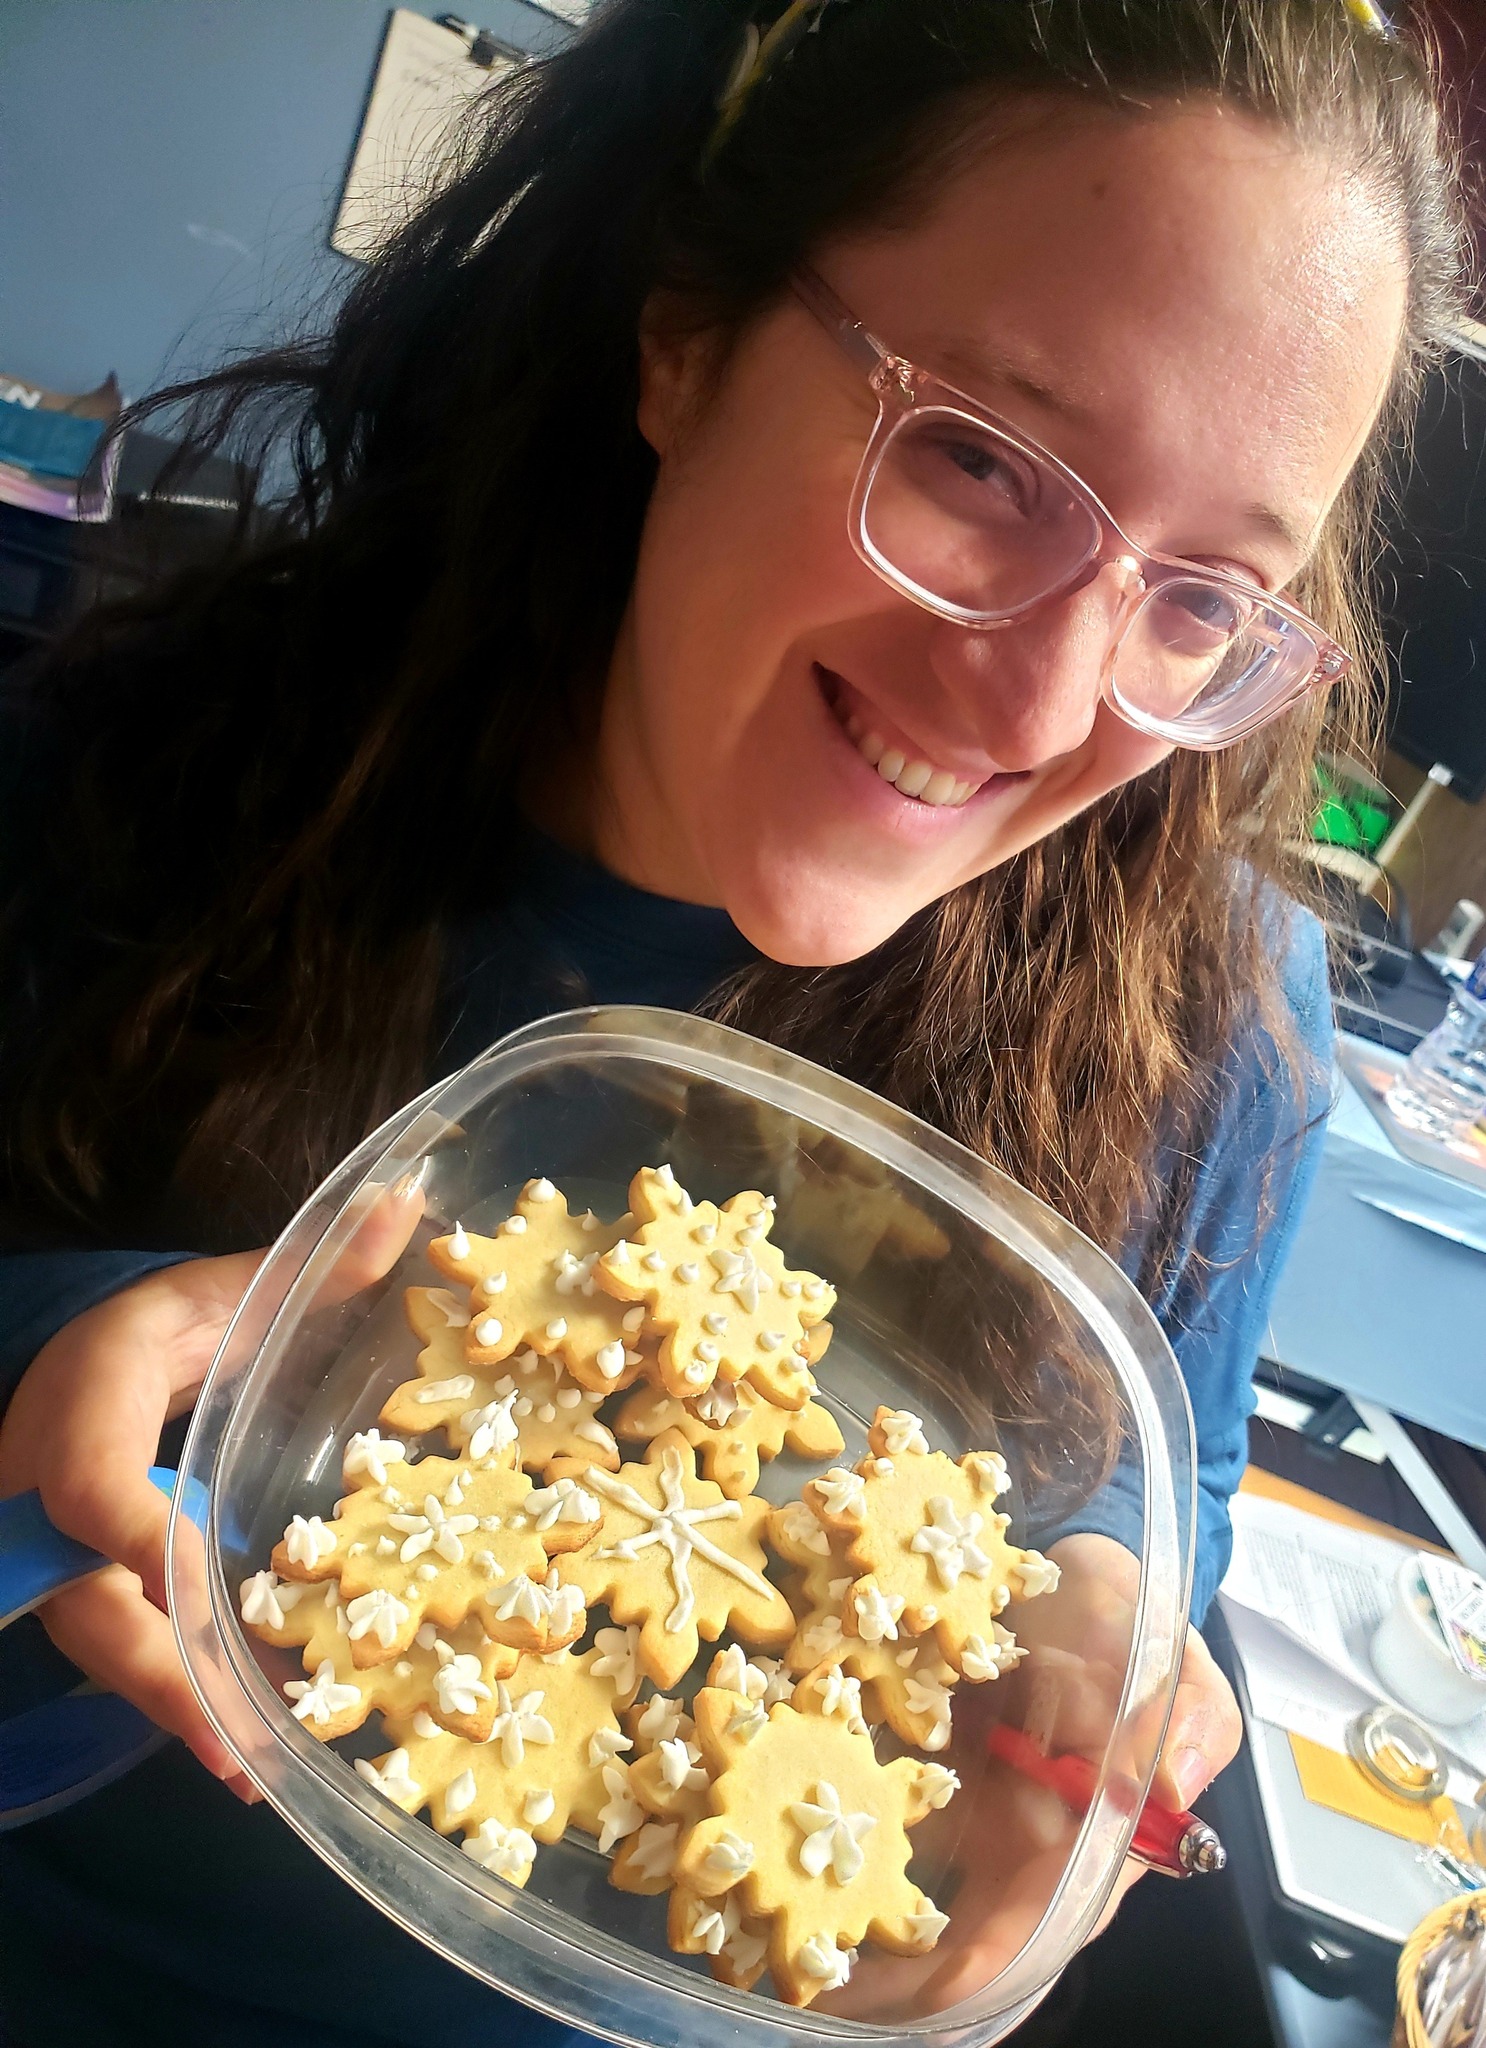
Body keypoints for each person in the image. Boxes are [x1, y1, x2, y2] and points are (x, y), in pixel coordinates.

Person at [0, 0, 1467, 2040]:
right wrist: (39, 1391)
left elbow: (1162, 1462)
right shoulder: (135, 781)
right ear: (683, 330)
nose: (1044, 705)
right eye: (972, 455)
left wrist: (1105, 1604)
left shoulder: (1225, 1037)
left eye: (1201, 597)